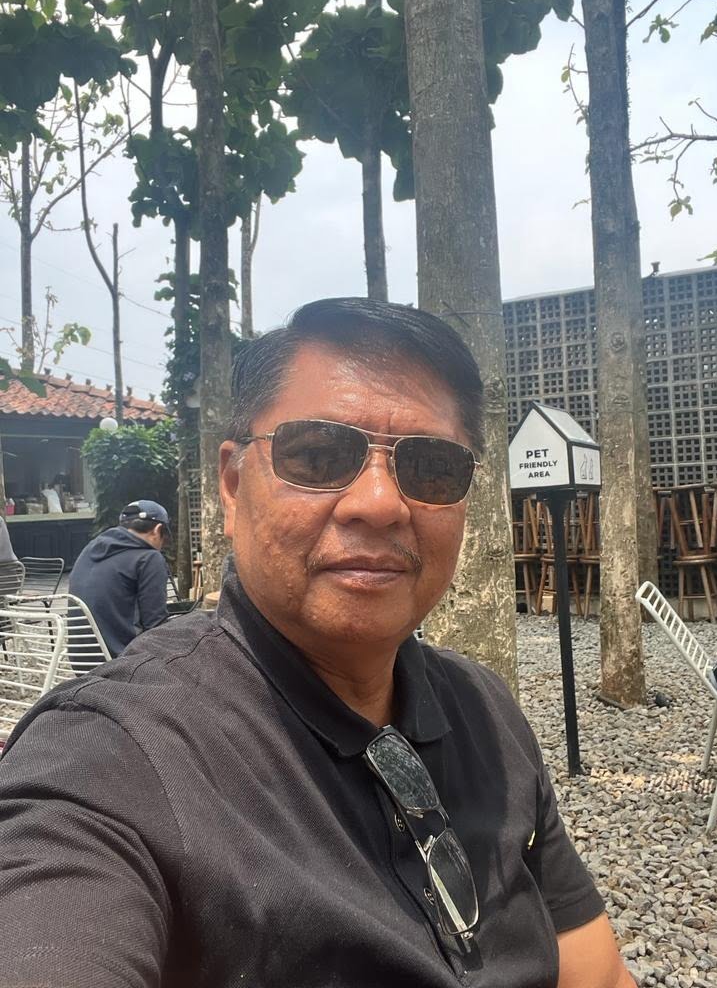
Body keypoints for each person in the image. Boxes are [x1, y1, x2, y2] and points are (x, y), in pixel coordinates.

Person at [0, 299, 636, 988]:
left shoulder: (485, 711)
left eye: (431, 467)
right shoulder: (112, 759)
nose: (379, 504)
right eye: (318, 456)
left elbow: (597, 974)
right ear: (233, 485)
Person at [68, 499, 171, 657]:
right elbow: (155, 626)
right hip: (122, 663)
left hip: (80, 661)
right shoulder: (149, 558)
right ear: (157, 530)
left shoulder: (89, 549)